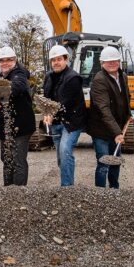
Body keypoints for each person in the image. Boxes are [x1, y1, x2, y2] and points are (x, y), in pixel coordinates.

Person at [41, 44, 87, 187]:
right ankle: (67, 182)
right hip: (56, 123)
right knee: (61, 157)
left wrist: (51, 114)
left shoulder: (73, 78)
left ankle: (67, 188)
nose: (56, 62)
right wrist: (45, 113)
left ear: (66, 60)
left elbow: (64, 102)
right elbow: (47, 99)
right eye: (53, 60)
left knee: (65, 150)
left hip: (71, 122)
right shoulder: (48, 77)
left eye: (59, 59)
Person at [88, 46, 130, 189]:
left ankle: (114, 190)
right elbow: (103, 109)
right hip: (101, 130)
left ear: (119, 61)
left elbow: (126, 98)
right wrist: (117, 133)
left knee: (115, 162)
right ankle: (100, 194)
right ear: (102, 63)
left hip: (116, 127)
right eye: (108, 61)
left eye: (115, 60)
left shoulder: (123, 76)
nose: (112, 63)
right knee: (103, 163)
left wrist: (129, 115)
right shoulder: (99, 80)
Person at [0, 46, 35, 186]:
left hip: (20, 126)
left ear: (15, 60)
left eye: (9, 60)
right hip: (5, 127)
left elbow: (17, 86)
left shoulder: (19, 74)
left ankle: (18, 194)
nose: (5, 63)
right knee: (6, 160)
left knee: (18, 161)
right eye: (2, 60)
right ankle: (8, 192)